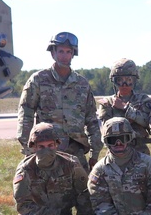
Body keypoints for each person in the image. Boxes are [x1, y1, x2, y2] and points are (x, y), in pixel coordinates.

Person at [16, 31, 102, 171]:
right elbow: (26, 113)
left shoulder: (82, 84)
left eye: (68, 52)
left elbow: (91, 119)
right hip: (46, 147)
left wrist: (95, 152)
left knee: (82, 189)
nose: (64, 55)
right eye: (61, 51)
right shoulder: (38, 80)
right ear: (53, 53)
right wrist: (28, 147)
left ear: (73, 54)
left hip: (76, 148)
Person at [96, 58, 151, 153]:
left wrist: (126, 108)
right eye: (120, 80)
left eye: (129, 80)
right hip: (115, 151)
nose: (124, 84)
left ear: (134, 81)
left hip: (139, 152)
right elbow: (105, 131)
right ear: (114, 81)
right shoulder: (107, 103)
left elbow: (150, 124)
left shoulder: (143, 100)